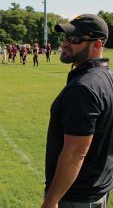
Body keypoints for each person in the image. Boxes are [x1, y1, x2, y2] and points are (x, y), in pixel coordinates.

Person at [42, 14, 113, 208]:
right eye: (65, 37)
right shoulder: (107, 76)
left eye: (74, 39)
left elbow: (75, 153)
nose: (65, 43)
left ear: (97, 44)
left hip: (76, 196)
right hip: (98, 187)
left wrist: (51, 200)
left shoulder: (83, 87)